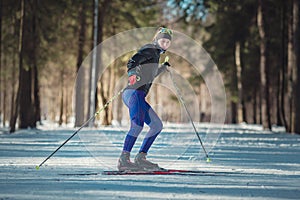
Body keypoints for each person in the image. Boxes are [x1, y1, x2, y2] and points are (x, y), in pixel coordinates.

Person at [118, 27, 173, 171]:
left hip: (139, 95)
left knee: (156, 125)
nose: (165, 43)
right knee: (137, 125)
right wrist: (133, 73)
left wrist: (162, 68)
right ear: (157, 39)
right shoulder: (150, 49)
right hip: (133, 92)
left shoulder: (156, 55)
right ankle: (124, 159)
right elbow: (133, 61)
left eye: (168, 42)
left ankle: (141, 158)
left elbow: (150, 75)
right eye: (163, 40)